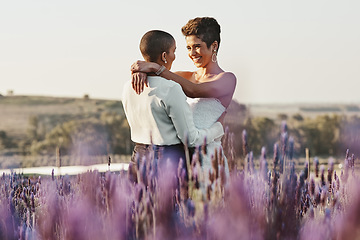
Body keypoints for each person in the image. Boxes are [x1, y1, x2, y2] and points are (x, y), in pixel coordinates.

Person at [131, 17, 237, 182]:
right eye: (188, 47)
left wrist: (156, 69)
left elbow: (194, 91)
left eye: (197, 47)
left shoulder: (227, 79)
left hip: (208, 160)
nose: (192, 53)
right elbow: (157, 78)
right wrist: (141, 71)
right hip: (181, 160)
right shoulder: (182, 76)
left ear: (214, 46)